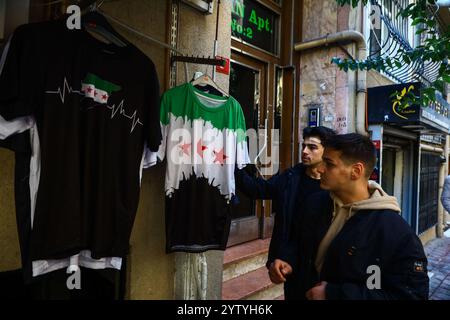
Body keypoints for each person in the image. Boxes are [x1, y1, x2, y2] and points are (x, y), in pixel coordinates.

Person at [273, 133, 429, 300]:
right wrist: (287, 260)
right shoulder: (314, 203)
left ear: (356, 171)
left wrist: (333, 294)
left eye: (329, 164)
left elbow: (411, 296)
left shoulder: (394, 231)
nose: (320, 169)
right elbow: (298, 242)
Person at [235, 126, 336, 300]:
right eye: (303, 146)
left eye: (312, 147)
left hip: (324, 269)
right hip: (293, 264)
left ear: (326, 151)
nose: (304, 151)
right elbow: (258, 189)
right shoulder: (291, 177)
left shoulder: (335, 185)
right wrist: (233, 166)